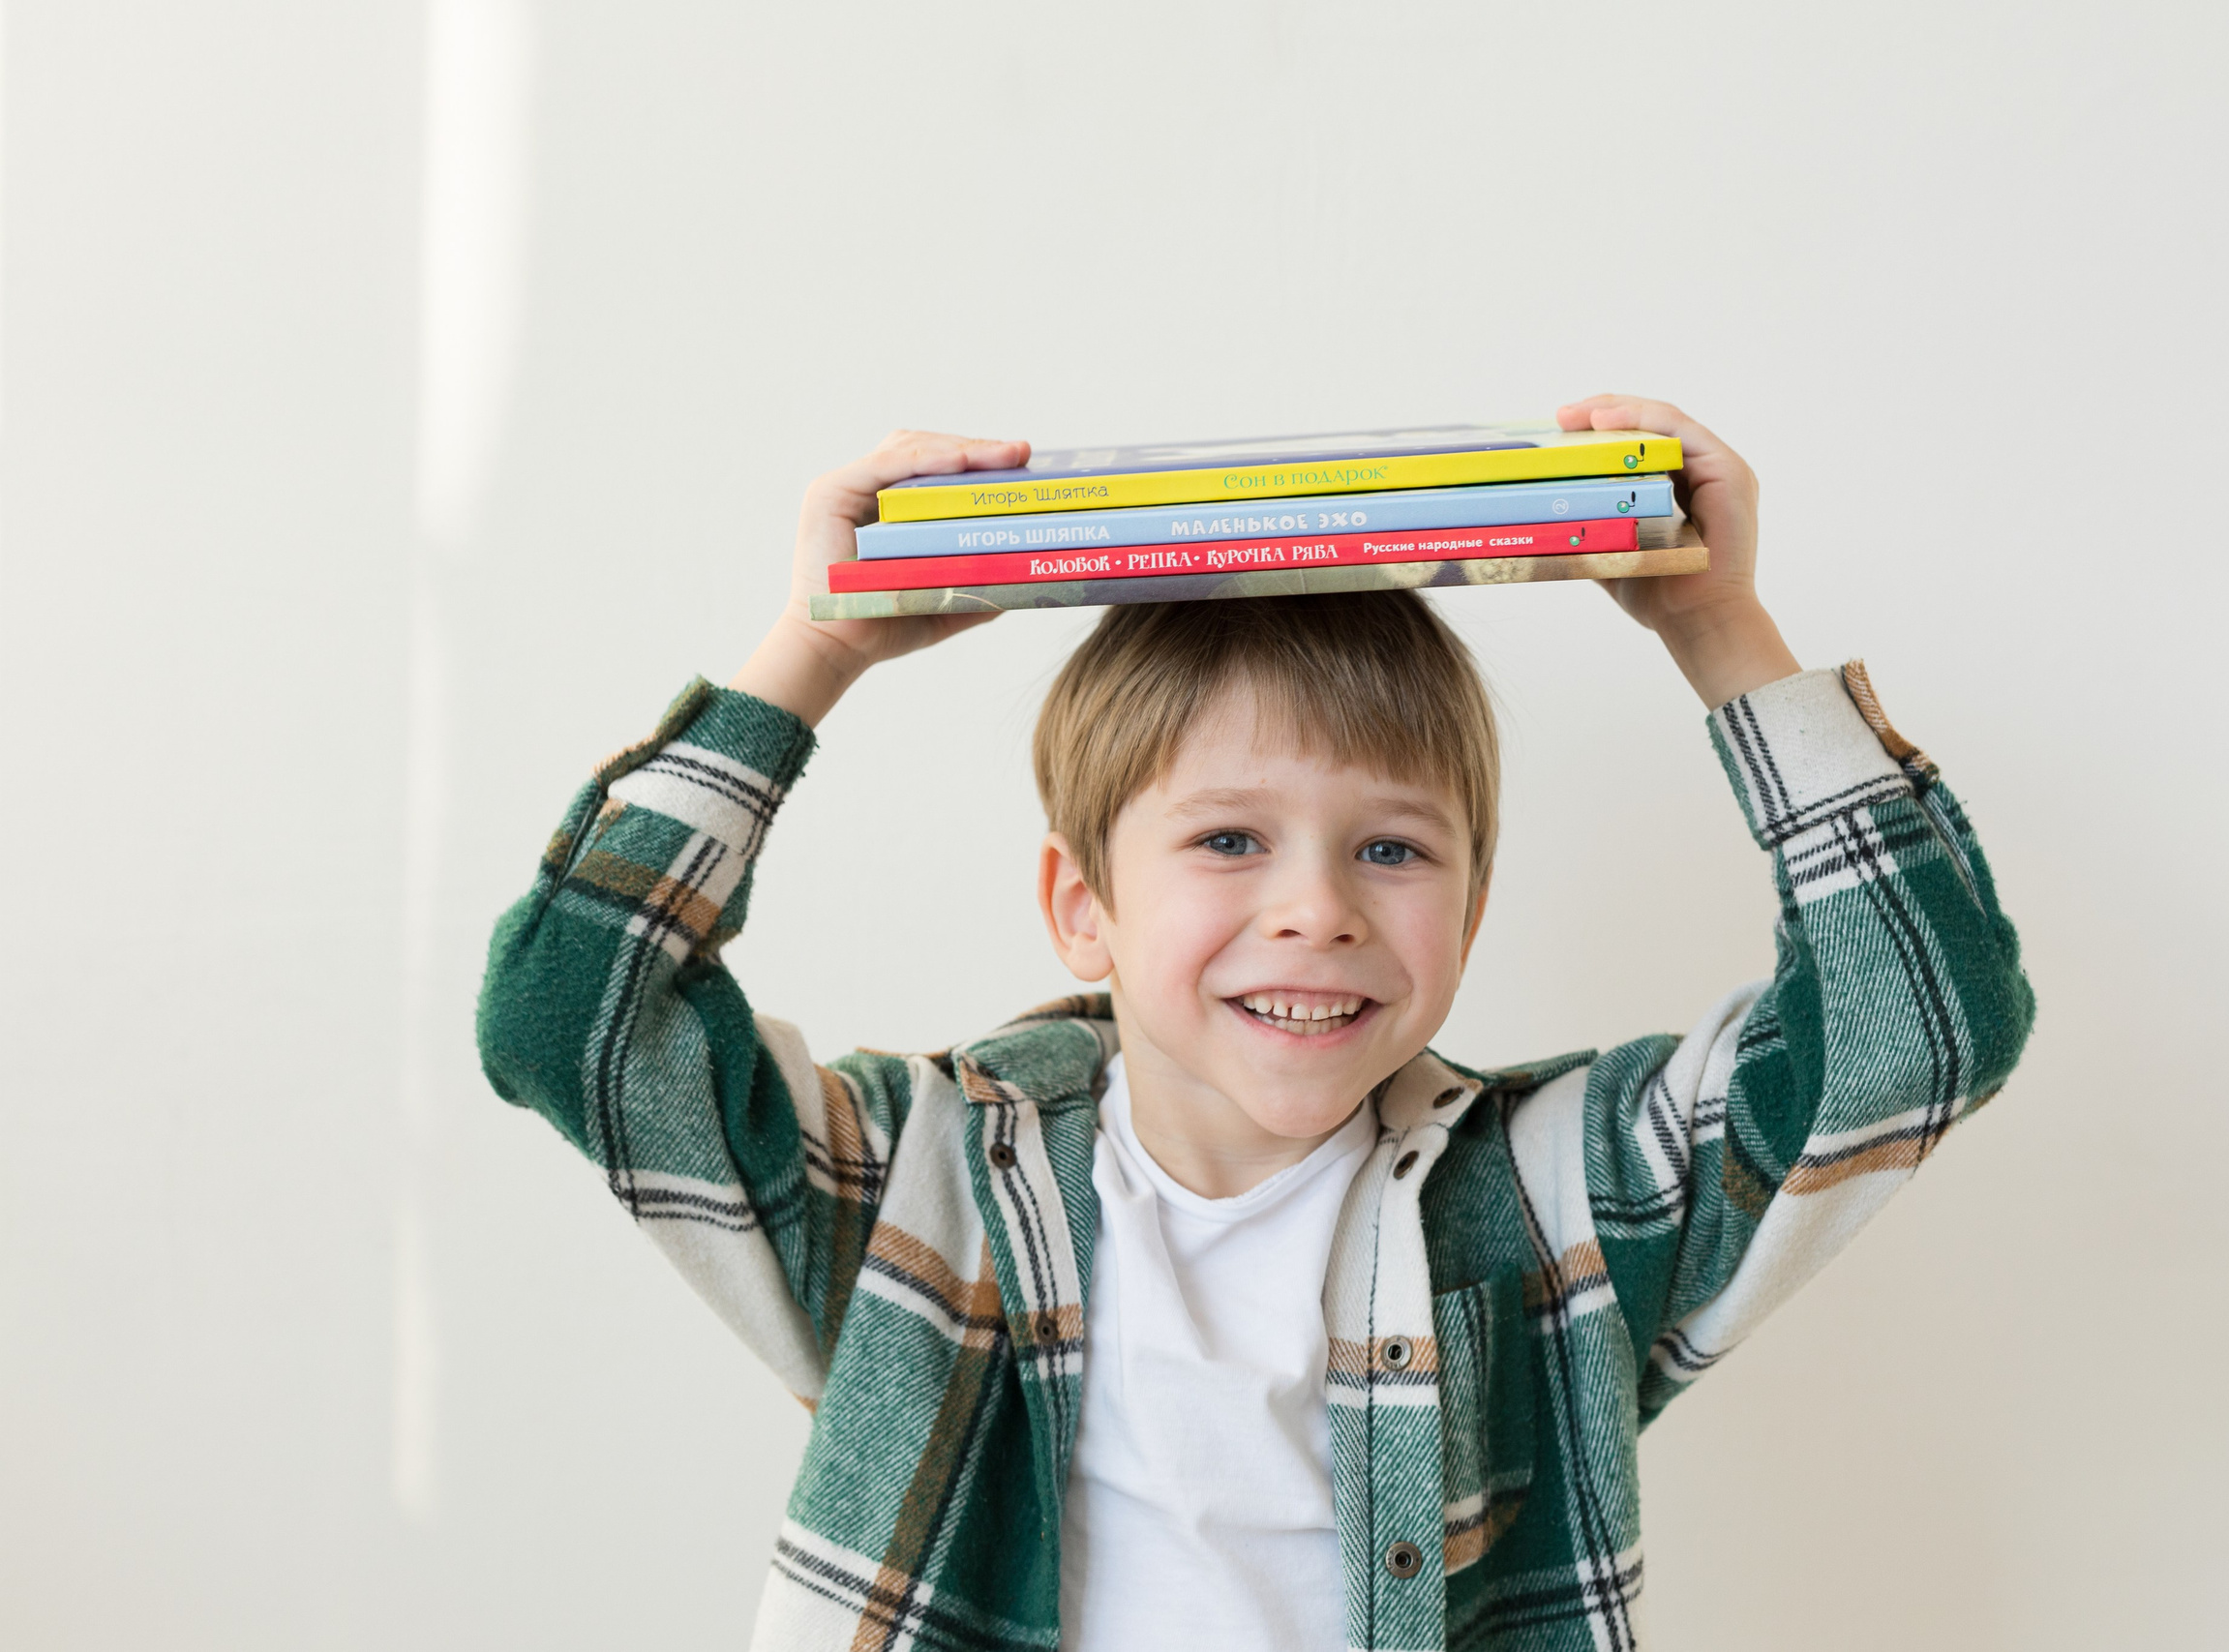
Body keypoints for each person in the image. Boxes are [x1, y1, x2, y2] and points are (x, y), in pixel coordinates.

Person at [476, 393, 2034, 1651]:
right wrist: (813, 649)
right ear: (1081, 907)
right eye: (1230, 841)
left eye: (1393, 848)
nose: (1318, 910)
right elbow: (576, 1013)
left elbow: (1928, 1020)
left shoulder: (1551, 1206)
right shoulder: (927, 1191)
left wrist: (1718, 630)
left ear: (1470, 913)